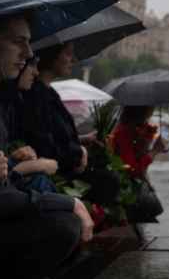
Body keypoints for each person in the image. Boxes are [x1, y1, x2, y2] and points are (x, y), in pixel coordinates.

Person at [0, 12, 93, 279]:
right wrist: (67, 201)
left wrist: (10, 169)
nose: (28, 55)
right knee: (62, 226)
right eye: (18, 42)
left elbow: (1, 184)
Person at [22, 43, 119, 207]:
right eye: (67, 54)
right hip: (58, 170)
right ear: (51, 56)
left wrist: (82, 140)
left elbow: (56, 134)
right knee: (108, 181)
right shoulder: (36, 96)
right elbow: (45, 144)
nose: (73, 60)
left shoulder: (49, 92)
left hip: (67, 163)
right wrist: (78, 151)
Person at [0, 55, 58, 193]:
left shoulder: (12, 103)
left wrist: (18, 154)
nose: (36, 72)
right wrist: (36, 165)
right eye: (32, 65)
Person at [109, 106, 168, 180]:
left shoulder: (141, 128)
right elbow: (133, 169)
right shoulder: (123, 133)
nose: (152, 110)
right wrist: (154, 151)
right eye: (151, 106)